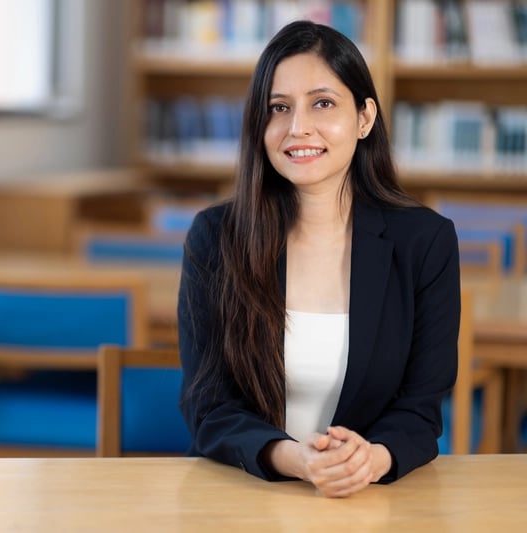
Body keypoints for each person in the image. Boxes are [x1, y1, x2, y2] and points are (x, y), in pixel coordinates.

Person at [177, 20, 460, 498]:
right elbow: (208, 405)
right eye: (279, 108)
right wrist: (298, 460)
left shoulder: (425, 241)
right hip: (241, 492)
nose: (297, 128)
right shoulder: (215, 237)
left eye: (323, 103)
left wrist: (369, 460)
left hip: (370, 498)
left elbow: (421, 408)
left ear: (365, 118)